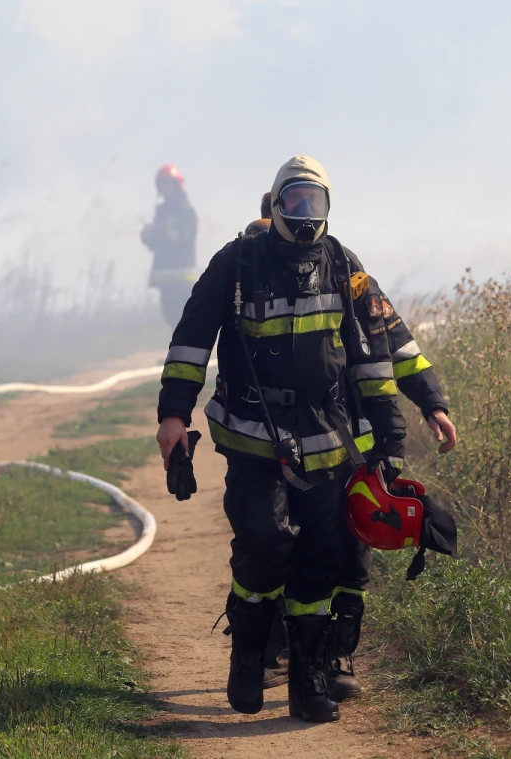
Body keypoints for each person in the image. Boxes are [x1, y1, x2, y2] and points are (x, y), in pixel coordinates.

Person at [157, 155, 429, 723]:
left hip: (327, 438)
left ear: (328, 207)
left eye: (316, 203)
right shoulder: (236, 264)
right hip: (254, 440)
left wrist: (400, 429)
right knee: (262, 541)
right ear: (276, 203)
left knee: (322, 557)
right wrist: (174, 415)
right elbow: (190, 341)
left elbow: (378, 357)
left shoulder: (344, 267)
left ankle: (309, 676)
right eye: (294, 202)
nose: (305, 215)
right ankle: (250, 651)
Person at [242, 189, 458, 699]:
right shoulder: (249, 264)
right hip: (280, 443)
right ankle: (276, 645)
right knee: (281, 545)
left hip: (350, 442)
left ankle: (335, 655)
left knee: (351, 551)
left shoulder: (346, 273)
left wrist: (432, 403)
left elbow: (396, 342)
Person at [141, 164, 199, 327]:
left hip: (182, 275)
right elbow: (159, 244)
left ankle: (190, 349)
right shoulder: (162, 212)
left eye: (168, 183)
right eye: (162, 184)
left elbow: (181, 238)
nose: (165, 187)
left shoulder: (185, 211)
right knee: (170, 316)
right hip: (165, 276)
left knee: (185, 316)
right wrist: (147, 236)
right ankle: (180, 349)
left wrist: (158, 230)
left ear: (177, 185)